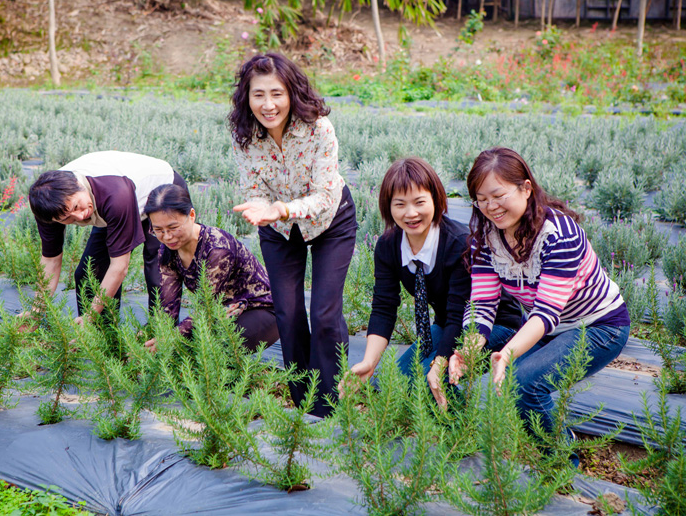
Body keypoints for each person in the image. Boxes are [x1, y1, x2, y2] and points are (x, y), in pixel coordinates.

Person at [452, 146, 630, 437]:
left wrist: (507, 353)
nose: (491, 207)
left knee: (525, 384)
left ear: (526, 188)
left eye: (498, 196)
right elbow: (482, 303)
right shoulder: (485, 237)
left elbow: (547, 311)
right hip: (545, 327)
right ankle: (540, 448)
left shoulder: (559, 234)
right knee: (496, 381)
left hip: (597, 326)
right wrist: (470, 348)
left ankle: (562, 458)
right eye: (481, 200)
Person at [229, 53, 357, 417]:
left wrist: (281, 208)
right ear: (246, 97)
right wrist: (262, 207)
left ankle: (330, 404)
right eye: (258, 95)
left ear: (292, 93)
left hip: (330, 222)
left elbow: (325, 196)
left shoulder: (318, 129)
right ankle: (304, 403)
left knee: (325, 313)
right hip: (280, 229)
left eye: (276, 94)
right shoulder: (244, 136)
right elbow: (251, 186)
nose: (268, 105)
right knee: (287, 312)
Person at [348, 157, 520, 409]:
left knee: (429, 385)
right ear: (388, 207)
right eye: (400, 204)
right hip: (446, 324)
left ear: (436, 200)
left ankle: (463, 431)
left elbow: (457, 310)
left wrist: (440, 360)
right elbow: (384, 306)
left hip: (493, 325)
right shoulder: (388, 246)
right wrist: (369, 362)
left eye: (419, 202)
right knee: (394, 385)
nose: (410, 213)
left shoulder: (458, 243)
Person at [27, 150, 189, 322]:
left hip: (161, 193)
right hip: (112, 206)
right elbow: (50, 261)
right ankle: (100, 337)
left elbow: (119, 267)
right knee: (90, 273)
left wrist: (90, 315)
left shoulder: (114, 194)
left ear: (78, 184)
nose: (80, 217)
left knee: (159, 270)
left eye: (76, 207)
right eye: (67, 218)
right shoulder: (47, 206)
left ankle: (161, 336)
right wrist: (36, 313)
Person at [142, 183, 279, 352]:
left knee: (210, 351)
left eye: (173, 227)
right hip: (224, 311)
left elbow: (206, 309)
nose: (167, 236)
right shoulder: (168, 250)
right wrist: (155, 336)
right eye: (158, 230)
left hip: (261, 309)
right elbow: (168, 306)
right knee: (177, 348)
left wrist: (171, 338)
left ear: (191, 215)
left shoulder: (217, 248)